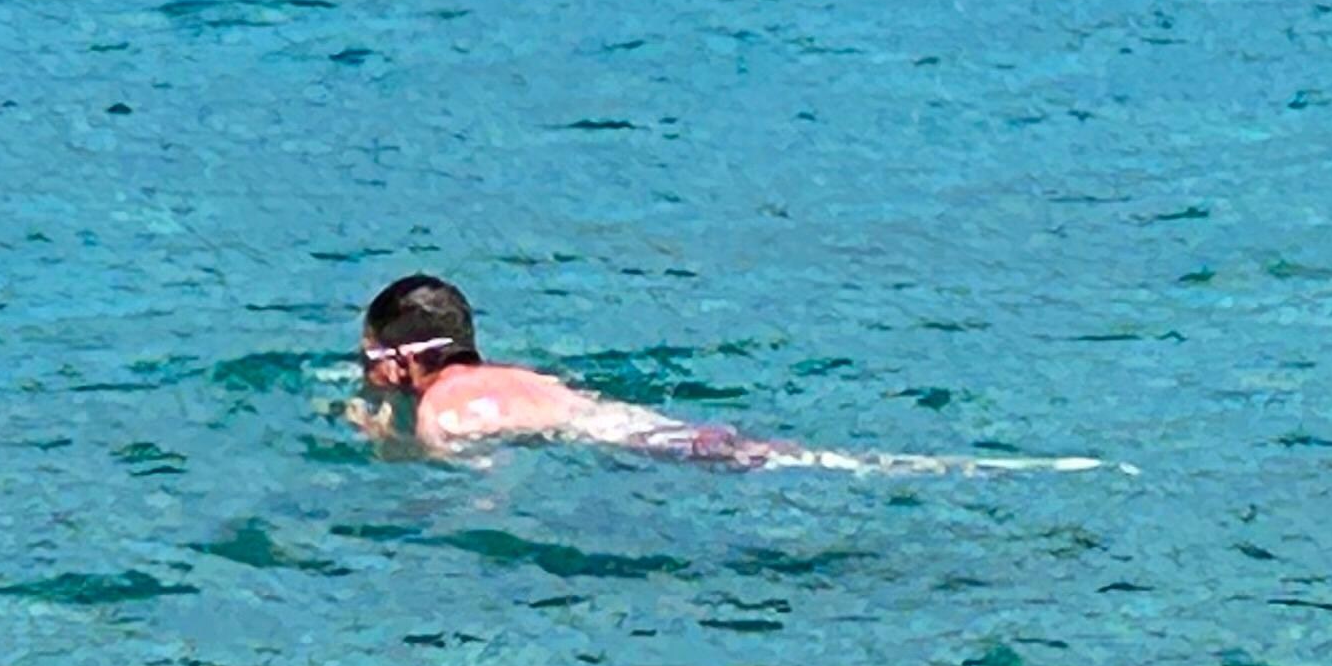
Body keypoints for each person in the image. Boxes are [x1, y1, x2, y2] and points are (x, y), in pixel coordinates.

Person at [343, 272, 1114, 475]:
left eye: (371, 362)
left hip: (652, 455)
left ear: (403, 361)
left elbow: (476, 487)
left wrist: (386, 442)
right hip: (657, 433)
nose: (367, 376)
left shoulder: (445, 408)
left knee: (822, 468)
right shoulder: (518, 377)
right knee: (820, 462)